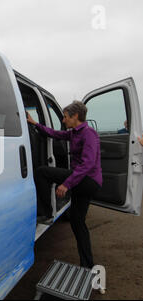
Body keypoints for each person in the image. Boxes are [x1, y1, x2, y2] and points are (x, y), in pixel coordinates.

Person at [27, 100, 102, 269]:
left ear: (75, 116)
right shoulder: (73, 133)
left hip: (87, 180)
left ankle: (46, 213)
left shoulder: (89, 134)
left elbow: (87, 164)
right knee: (77, 222)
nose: (63, 120)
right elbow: (55, 134)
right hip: (82, 180)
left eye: (65, 116)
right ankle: (87, 265)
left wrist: (67, 184)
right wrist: (35, 124)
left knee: (41, 172)